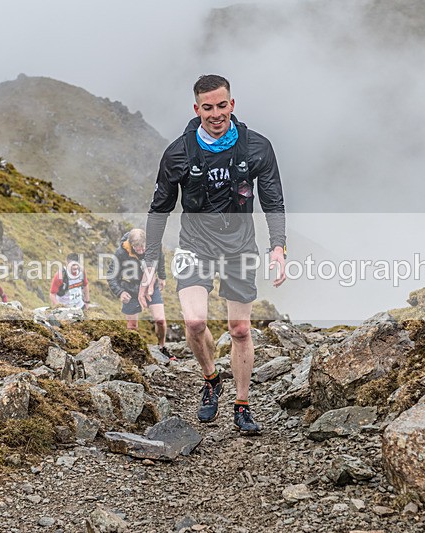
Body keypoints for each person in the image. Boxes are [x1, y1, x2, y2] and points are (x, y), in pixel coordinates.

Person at [140, 75, 287, 435]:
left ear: (232, 105)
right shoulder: (178, 153)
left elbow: (273, 199)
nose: (216, 114)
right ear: (197, 109)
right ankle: (211, 378)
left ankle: (242, 404)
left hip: (239, 246)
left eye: (222, 106)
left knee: (239, 329)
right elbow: (159, 209)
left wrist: (278, 247)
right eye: (208, 107)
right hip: (195, 244)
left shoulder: (257, 148)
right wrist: (151, 264)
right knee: (194, 323)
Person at [107, 229, 174, 361]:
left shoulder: (154, 245)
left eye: (143, 246)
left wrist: (162, 276)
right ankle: (134, 353)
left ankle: (162, 347)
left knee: (160, 320)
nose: (141, 250)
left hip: (150, 286)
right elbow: (111, 275)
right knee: (132, 326)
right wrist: (120, 292)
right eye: (136, 247)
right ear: (131, 244)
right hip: (130, 289)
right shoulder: (121, 253)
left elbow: (159, 258)